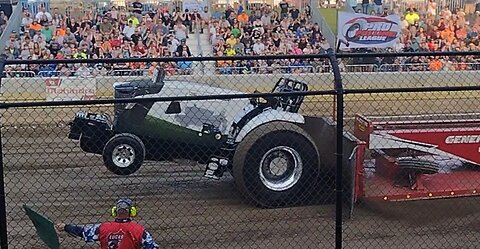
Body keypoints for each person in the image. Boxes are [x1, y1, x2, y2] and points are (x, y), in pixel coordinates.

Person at [55, 198, 159, 249]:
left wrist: (65, 227)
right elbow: (153, 247)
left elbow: (82, 231)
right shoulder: (139, 230)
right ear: (132, 211)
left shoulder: (103, 228)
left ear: (114, 211)